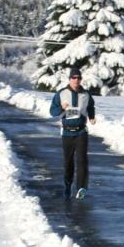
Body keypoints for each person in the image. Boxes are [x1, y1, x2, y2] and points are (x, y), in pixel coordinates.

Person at [49, 67, 95, 199]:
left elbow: (91, 106)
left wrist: (91, 116)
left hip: (81, 131)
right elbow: (52, 112)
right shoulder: (61, 93)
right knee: (68, 162)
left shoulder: (86, 94)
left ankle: (81, 188)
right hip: (67, 133)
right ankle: (68, 185)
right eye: (74, 78)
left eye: (78, 78)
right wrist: (61, 108)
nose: (76, 80)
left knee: (82, 160)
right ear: (69, 79)